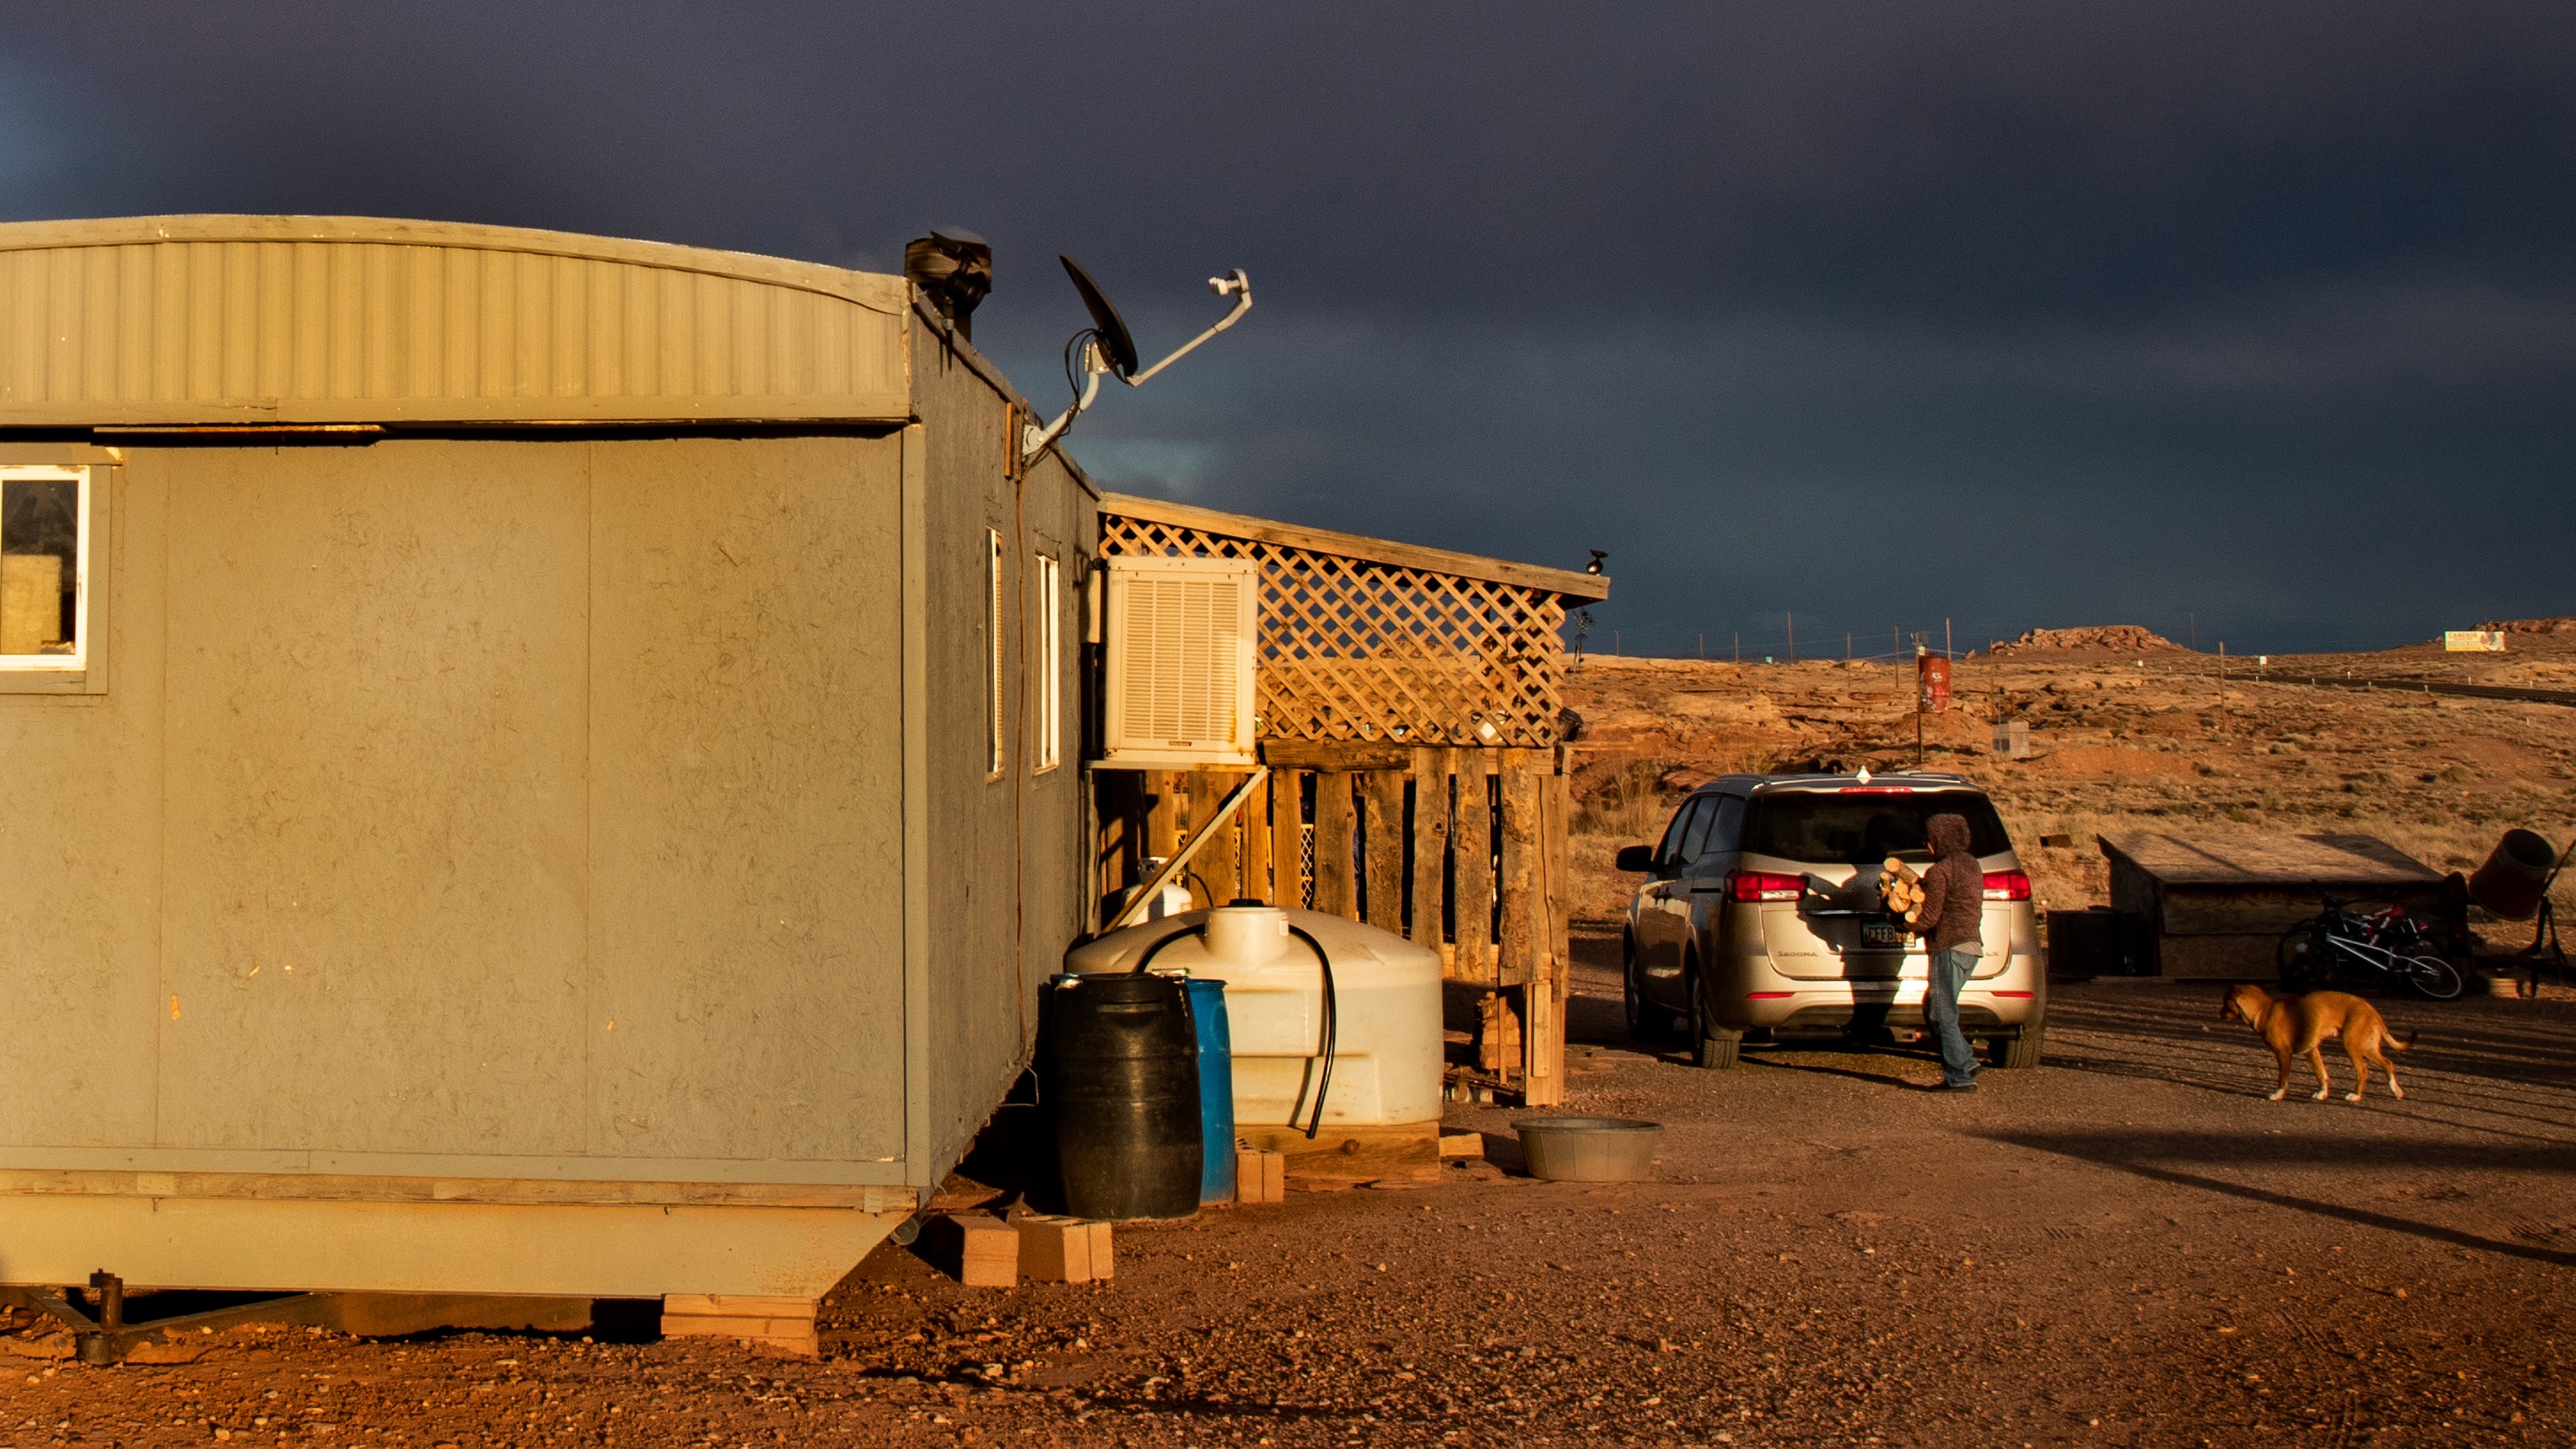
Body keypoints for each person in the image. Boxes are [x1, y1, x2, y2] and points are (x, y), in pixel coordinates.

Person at [1913, 812, 1984, 1092]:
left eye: (1930, 840)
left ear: (1939, 840)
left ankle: (1959, 1077)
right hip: (1971, 947)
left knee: (1942, 1012)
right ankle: (1965, 1060)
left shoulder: (1940, 871)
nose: (1929, 846)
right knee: (1936, 1006)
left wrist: (1904, 923)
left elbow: (1929, 918)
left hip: (1948, 947)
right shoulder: (1972, 865)